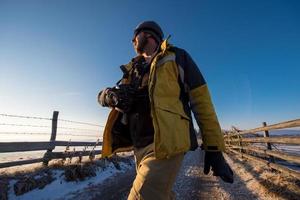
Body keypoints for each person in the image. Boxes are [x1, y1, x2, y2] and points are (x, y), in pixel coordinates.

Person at [98, 21, 233, 200]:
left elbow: (202, 102)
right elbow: (102, 96)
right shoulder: (131, 70)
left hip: (166, 144)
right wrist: (109, 96)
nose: (132, 41)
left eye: (135, 36)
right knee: (160, 195)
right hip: (139, 146)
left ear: (149, 34)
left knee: (142, 196)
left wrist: (214, 148)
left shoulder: (177, 57)